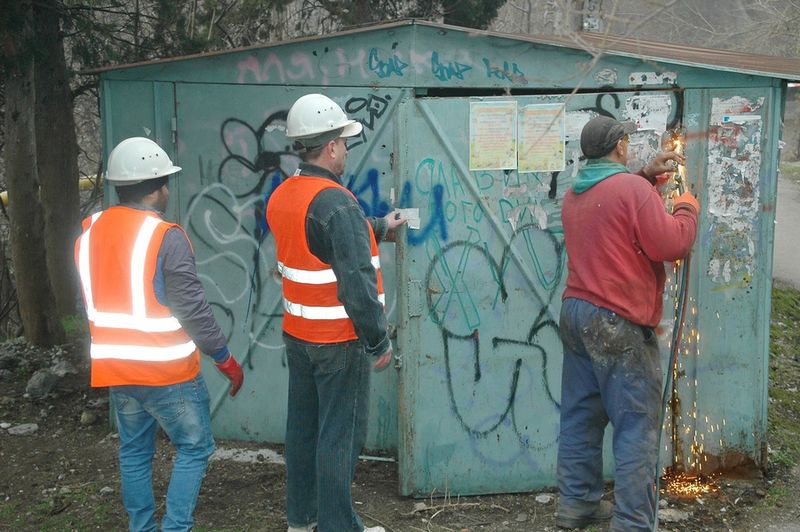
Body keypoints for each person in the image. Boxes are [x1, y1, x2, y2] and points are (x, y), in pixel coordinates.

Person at [74, 137, 245, 532]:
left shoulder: (89, 231)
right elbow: (194, 310)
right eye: (166, 181)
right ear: (157, 186)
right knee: (195, 446)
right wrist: (225, 359)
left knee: (134, 451)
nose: (168, 189)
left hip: (116, 370)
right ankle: (175, 527)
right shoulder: (165, 236)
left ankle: (143, 528)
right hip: (167, 374)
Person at [266, 93, 406, 532]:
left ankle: (302, 521)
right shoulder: (337, 202)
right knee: (339, 439)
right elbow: (356, 283)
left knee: (304, 432)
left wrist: (380, 227)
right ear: (329, 148)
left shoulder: (284, 195)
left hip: (299, 338)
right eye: (344, 143)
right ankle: (338, 527)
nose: (346, 150)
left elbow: (319, 242)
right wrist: (378, 341)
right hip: (339, 342)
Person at [556, 116, 699, 531]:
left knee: (581, 417)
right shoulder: (633, 191)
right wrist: (687, 208)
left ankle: (577, 505)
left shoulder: (576, 193)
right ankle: (634, 523)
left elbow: (613, 210)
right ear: (619, 146)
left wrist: (644, 177)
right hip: (616, 321)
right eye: (628, 141)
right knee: (636, 424)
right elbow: (670, 244)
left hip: (577, 313)